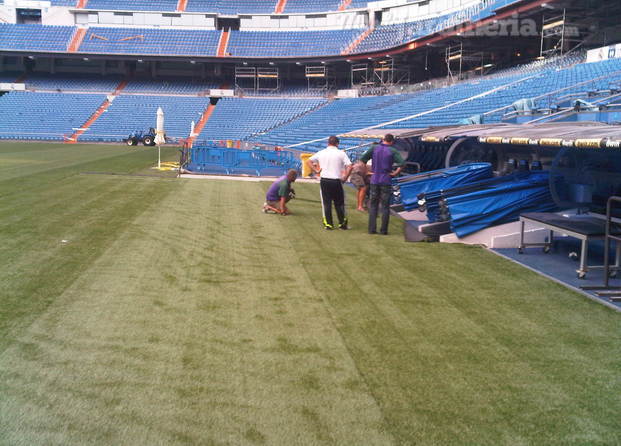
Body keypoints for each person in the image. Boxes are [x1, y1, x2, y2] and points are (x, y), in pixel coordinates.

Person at [360, 134, 405, 235]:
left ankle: (372, 229)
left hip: (375, 179)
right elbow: (402, 164)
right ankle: (384, 230)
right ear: (392, 142)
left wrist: (367, 172)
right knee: (385, 206)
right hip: (386, 179)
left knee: (373, 205)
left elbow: (363, 160)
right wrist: (394, 173)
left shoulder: (374, 148)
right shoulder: (392, 150)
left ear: (383, 139)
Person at [306, 136, 352, 230]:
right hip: (336, 180)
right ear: (337, 144)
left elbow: (308, 161)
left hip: (324, 180)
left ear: (328, 143)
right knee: (339, 203)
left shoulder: (322, 152)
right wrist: (345, 177)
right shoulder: (341, 153)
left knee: (326, 203)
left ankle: (328, 224)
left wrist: (316, 170)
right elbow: (350, 166)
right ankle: (342, 224)